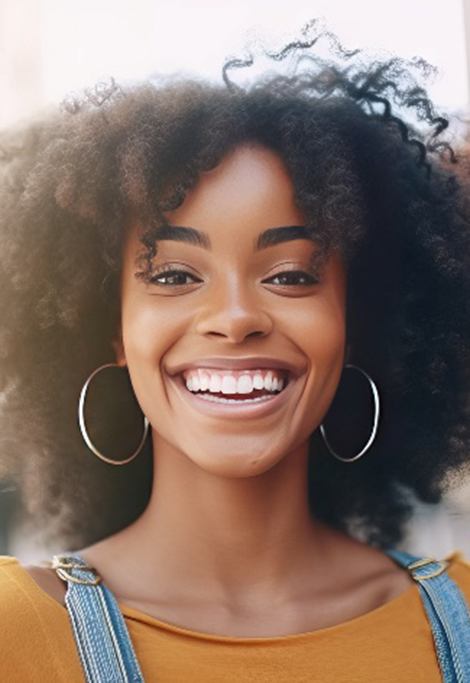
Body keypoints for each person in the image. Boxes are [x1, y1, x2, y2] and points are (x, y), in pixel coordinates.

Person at [1, 22, 470, 682]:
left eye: (291, 275)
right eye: (173, 276)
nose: (236, 317)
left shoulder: (461, 619)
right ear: (108, 329)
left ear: (356, 320)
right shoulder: (14, 630)